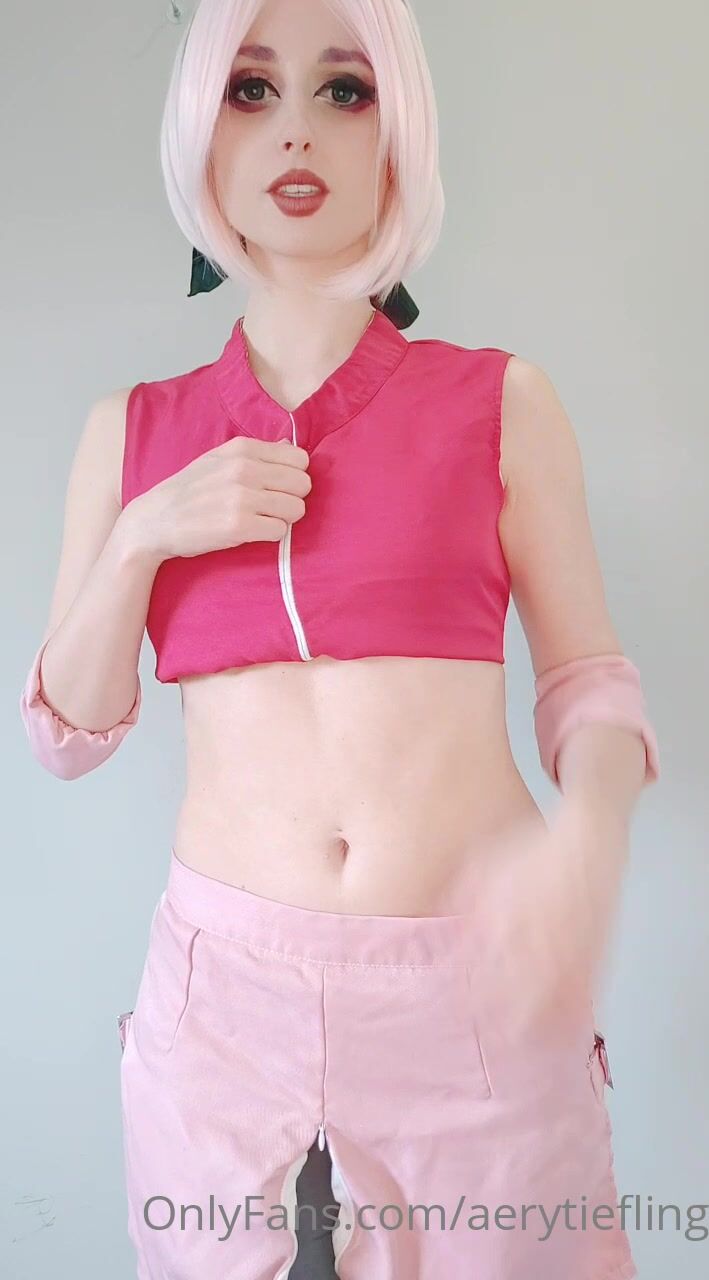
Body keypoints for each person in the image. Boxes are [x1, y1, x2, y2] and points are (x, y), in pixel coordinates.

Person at [19, 0, 660, 1276]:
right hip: (225, 1005)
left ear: (398, 133)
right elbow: (67, 735)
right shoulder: (132, 432)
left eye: (345, 90)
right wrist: (144, 535)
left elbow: (589, 682)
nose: (297, 129)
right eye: (251, 90)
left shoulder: (501, 401)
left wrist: (588, 841)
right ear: (199, 134)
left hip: (470, 989)